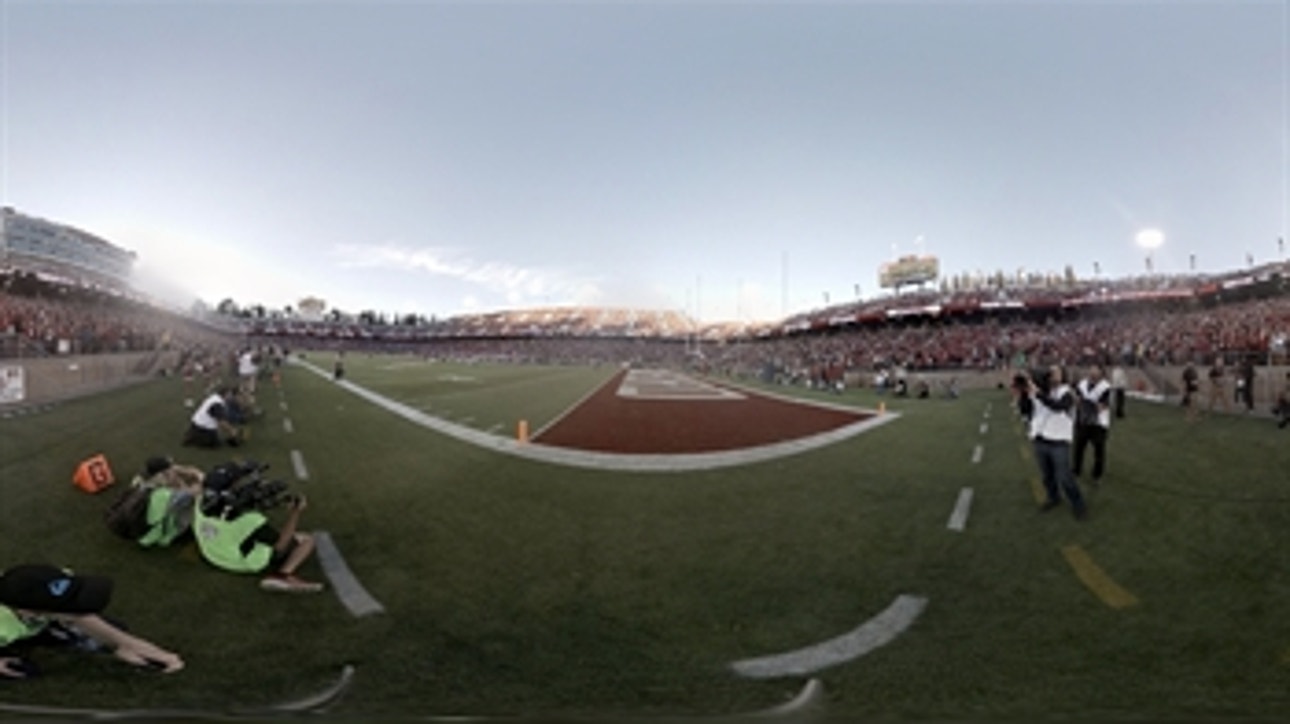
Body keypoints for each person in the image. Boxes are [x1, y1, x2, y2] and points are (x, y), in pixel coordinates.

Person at [0, 563, 183, 680]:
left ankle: (48, 630)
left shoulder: (46, 579)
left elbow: (77, 614)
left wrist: (128, 644)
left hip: (24, 617)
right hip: (10, 628)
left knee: (113, 629)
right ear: (30, 613)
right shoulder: (3, 628)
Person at [192, 466, 324, 593]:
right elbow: (280, 546)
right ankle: (283, 575)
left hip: (211, 554)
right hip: (238, 562)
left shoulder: (199, 503)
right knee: (306, 539)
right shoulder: (251, 520)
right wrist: (295, 513)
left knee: (237, 534)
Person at [1024, 365, 1087, 520]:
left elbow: (1058, 407)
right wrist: (1024, 393)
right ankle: (1054, 497)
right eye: (1049, 372)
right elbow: (1027, 410)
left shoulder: (1068, 392)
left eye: (1056, 372)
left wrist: (1038, 394)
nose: (1052, 375)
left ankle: (1078, 504)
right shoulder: (1041, 391)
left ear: (1063, 375)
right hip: (1040, 438)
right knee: (1047, 475)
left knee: (1065, 476)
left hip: (1059, 441)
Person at [133, 456, 204, 548]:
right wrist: (200, 478)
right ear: (162, 474)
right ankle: (170, 534)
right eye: (170, 469)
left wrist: (188, 472)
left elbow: (182, 470)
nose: (173, 469)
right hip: (160, 525)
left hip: (141, 521)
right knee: (193, 500)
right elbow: (196, 490)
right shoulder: (167, 495)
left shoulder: (142, 480)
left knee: (180, 484)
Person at [1073, 364, 1112, 485]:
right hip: (1083, 421)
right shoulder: (1082, 384)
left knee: (1099, 450)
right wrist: (1083, 403)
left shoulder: (1106, 387)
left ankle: (1097, 475)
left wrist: (1085, 403)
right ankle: (1076, 470)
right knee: (1079, 447)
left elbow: (1102, 406)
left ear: (1101, 372)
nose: (1093, 371)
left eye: (1096, 369)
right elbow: (1077, 400)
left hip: (1099, 423)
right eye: (1091, 369)